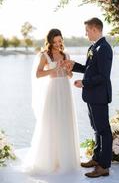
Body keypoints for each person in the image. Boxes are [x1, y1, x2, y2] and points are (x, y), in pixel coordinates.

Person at [23, 28, 80, 174]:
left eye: (59, 40)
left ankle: (65, 158)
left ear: (62, 40)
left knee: (65, 121)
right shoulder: (44, 55)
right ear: (50, 41)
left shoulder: (65, 54)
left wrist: (68, 70)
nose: (57, 43)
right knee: (52, 121)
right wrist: (53, 70)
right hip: (53, 90)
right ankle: (50, 159)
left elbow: (69, 75)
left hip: (65, 90)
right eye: (54, 41)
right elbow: (38, 74)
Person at [65, 17, 113, 178]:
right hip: (93, 96)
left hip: (99, 96)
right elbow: (89, 69)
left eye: (87, 31)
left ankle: (104, 166)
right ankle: (96, 158)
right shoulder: (94, 47)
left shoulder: (104, 48)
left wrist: (84, 83)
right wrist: (74, 65)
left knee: (103, 130)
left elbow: (103, 76)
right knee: (96, 128)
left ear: (94, 29)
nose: (86, 34)